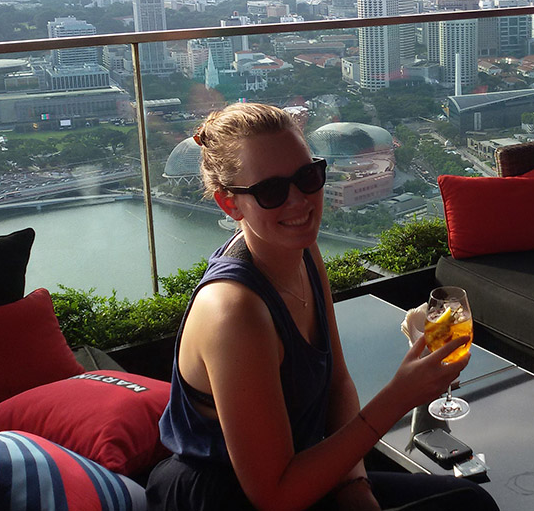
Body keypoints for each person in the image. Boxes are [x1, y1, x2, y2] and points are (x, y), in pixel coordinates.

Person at [146, 103, 498, 511]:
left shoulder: (304, 252)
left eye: (307, 176)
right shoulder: (235, 312)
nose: (299, 201)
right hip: (227, 497)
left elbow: (338, 385)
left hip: (305, 475)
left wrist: (355, 486)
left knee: (470, 501)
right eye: (271, 190)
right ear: (231, 205)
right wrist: (399, 397)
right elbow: (274, 495)